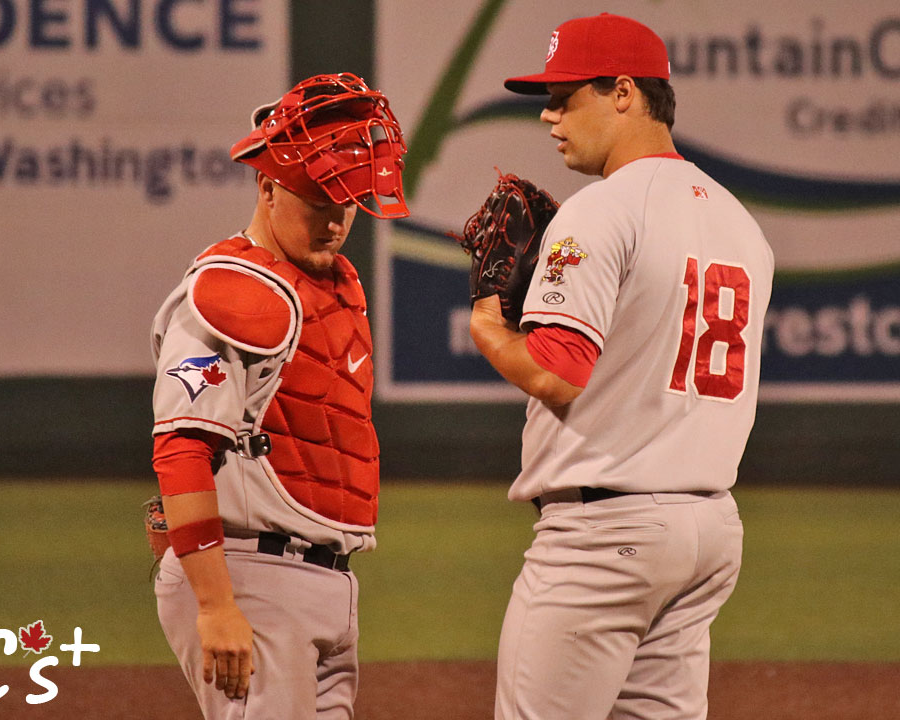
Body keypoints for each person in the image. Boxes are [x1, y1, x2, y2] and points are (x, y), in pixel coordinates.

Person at [469, 13, 774, 720]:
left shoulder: (600, 210)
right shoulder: (739, 222)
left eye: (565, 96)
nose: (547, 116)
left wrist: (487, 319)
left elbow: (556, 372)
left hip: (608, 537)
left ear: (625, 93)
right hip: (707, 532)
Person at [149, 72, 408, 720]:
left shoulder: (334, 286)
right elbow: (181, 450)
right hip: (248, 575)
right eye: (319, 197)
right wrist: (214, 602)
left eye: (348, 196)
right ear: (267, 185)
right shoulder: (230, 293)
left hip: (325, 577)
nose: (337, 217)